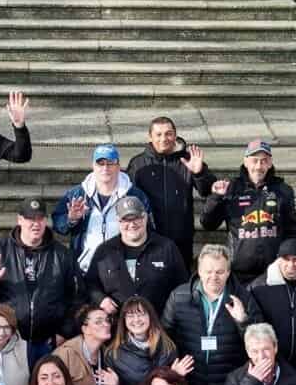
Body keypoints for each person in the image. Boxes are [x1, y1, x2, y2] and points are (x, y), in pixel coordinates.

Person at [0, 198, 79, 360]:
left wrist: (64, 332)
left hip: (49, 343)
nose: (36, 224)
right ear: (19, 220)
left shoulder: (62, 255)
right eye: (30, 219)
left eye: (40, 218)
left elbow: (77, 298)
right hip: (8, 342)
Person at [162, 244, 255, 385]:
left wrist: (242, 321)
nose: (214, 277)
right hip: (190, 382)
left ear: (228, 272)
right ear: (199, 271)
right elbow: (164, 338)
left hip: (228, 384)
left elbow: (257, 341)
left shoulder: (244, 298)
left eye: (220, 272)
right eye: (208, 271)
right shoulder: (179, 297)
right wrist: (171, 370)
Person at [199, 138, 296, 283]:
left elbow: (293, 231)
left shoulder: (283, 190)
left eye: (264, 161)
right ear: (246, 162)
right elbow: (208, 224)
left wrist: (289, 262)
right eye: (255, 161)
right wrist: (216, 198)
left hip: (274, 273)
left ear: (270, 163)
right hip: (239, 273)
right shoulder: (231, 188)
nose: (259, 166)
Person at [52, 143, 150, 272]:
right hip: (85, 269)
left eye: (110, 163)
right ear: (93, 166)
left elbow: (149, 228)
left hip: (123, 270)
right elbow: (58, 226)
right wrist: (71, 219)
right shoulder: (77, 194)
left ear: (118, 166)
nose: (105, 168)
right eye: (100, 163)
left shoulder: (134, 195)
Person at [124, 115, 214, 253]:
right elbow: (129, 200)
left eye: (168, 134)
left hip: (181, 239)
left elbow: (208, 191)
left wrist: (199, 173)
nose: (164, 139)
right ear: (150, 137)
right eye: (158, 134)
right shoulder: (138, 164)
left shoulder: (188, 160)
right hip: (148, 238)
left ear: (175, 135)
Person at [88, 196, 186, 319]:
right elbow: (89, 284)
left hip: (158, 323)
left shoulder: (167, 247)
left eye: (136, 218)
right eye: (126, 220)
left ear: (145, 217)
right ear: (118, 221)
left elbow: (182, 287)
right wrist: (101, 299)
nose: (132, 224)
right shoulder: (104, 251)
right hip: (117, 324)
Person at [247, 238, 296, 361]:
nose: (291, 265)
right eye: (286, 259)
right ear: (278, 259)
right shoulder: (258, 288)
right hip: (273, 361)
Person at [108, 295, 188, 385]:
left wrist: (175, 376)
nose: (136, 320)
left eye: (141, 314)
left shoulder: (168, 346)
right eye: (130, 316)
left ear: (150, 316)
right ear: (124, 320)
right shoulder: (114, 354)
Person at [52, 303, 120, 385]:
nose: (106, 324)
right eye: (98, 322)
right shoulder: (65, 354)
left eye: (107, 320)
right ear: (85, 329)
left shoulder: (108, 355)